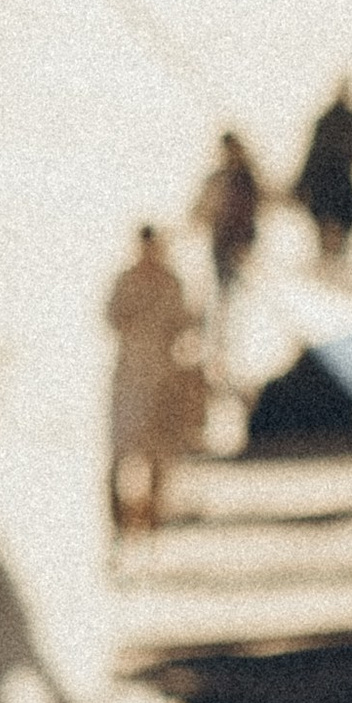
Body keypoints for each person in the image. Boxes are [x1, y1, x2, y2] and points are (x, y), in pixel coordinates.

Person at [104, 228, 200, 535]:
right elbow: (112, 318)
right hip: (130, 377)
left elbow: (184, 324)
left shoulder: (171, 282)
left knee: (159, 451)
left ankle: (154, 514)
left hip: (162, 378)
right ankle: (118, 520)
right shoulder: (126, 280)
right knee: (122, 450)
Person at [296, 80, 352, 263]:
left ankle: (333, 260)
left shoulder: (347, 122)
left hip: (336, 186)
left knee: (336, 224)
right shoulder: (331, 121)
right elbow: (312, 156)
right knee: (332, 224)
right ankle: (330, 260)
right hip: (329, 185)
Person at [191, 131, 261, 305]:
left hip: (243, 243)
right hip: (223, 242)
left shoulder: (248, 180)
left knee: (245, 291)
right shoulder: (219, 179)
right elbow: (201, 210)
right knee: (225, 292)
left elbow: (262, 201)